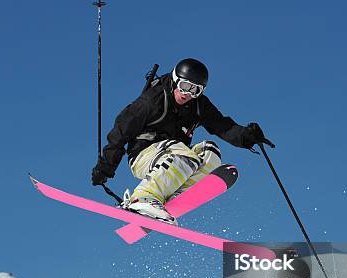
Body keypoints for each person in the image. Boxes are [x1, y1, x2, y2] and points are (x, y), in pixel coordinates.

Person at [91, 58, 272, 224]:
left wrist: (246, 137)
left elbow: (222, 126)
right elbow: (121, 130)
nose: (187, 93)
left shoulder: (198, 105)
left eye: (195, 90)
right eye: (185, 86)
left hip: (175, 157)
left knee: (210, 152)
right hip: (143, 155)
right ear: (176, 80)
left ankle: (173, 194)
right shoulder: (152, 100)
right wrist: (106, 167)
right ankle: (143, 197)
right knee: (183, 152)